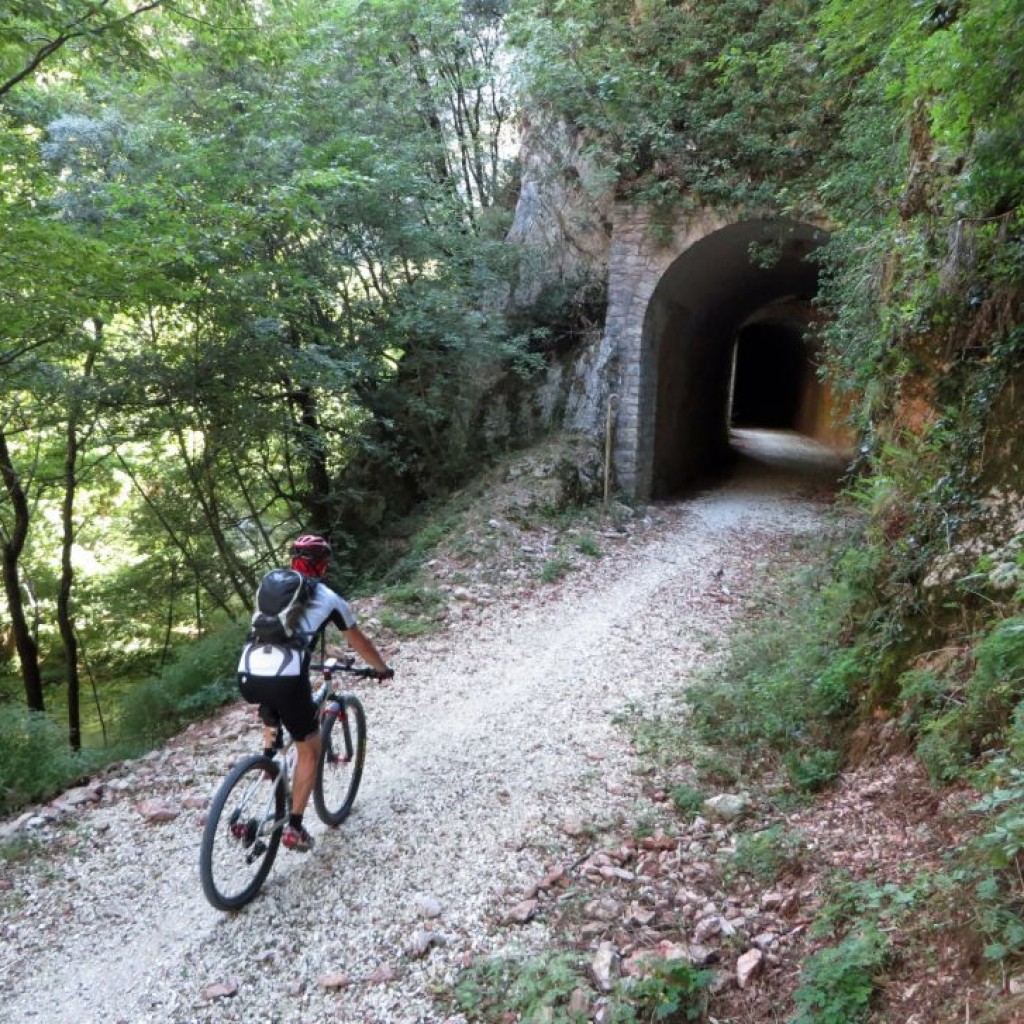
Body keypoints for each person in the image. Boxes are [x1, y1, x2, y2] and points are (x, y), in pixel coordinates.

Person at [239, 533, 393, 853]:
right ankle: (293, 827)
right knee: (310, 748)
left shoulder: (272, 588)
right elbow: (357, 640)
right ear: (323, 565)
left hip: (248, 672)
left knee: (277, 707)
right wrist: (381, 668)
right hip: (287, 675)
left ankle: (268, 762)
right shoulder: (328, 597)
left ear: (293, 560)